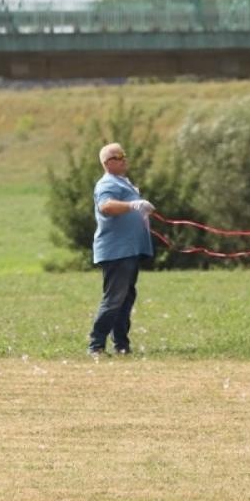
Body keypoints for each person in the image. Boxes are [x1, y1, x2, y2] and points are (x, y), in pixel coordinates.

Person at [89, 142, 154, 356]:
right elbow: (106, 206)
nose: (125, 159)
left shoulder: (122, 182)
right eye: (120, 156)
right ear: (108, 163)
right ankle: (96, 345)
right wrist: (133, 205)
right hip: (117, 251)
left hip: (128, 250)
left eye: (125, 155)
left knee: (126, 298)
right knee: (115, 298)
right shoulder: (107, 184)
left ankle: (121, 344)